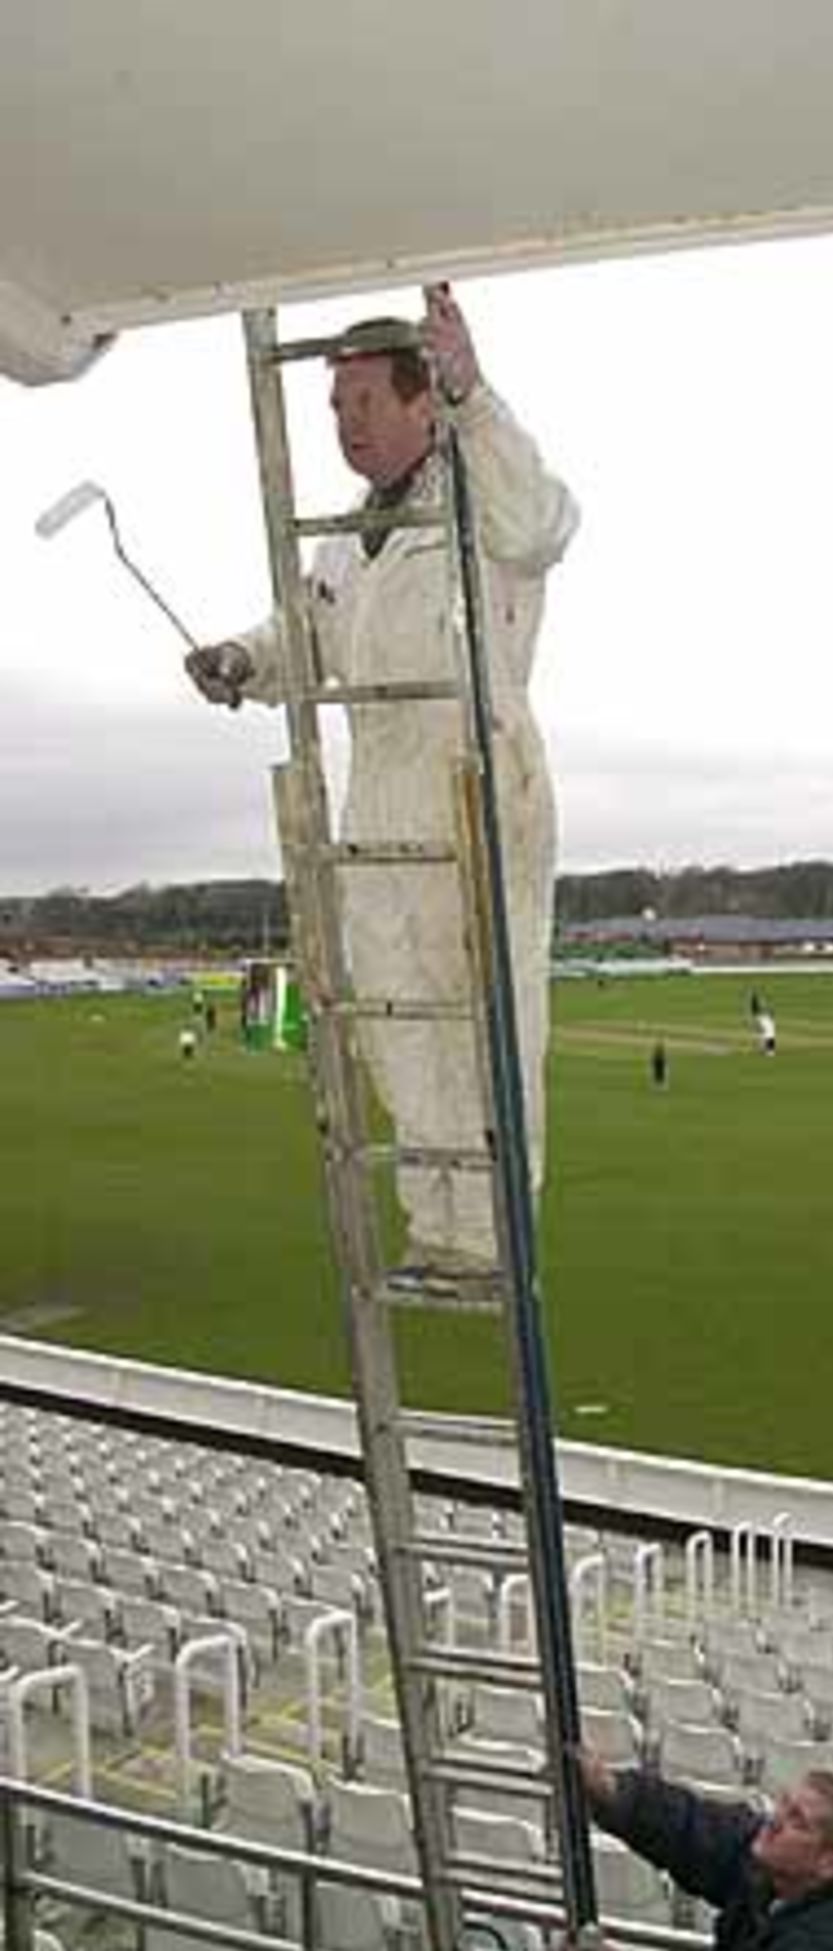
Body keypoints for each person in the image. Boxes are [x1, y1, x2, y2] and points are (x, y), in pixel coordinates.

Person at [186, 288, 578, 1284]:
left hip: (474, 775)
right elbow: (309, 636)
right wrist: (241, 656)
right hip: (379, 796)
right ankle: (439, 1228)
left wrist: (475, 393)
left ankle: (492, 1235)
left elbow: (541, 525)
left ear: (420, 402)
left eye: (363, 400)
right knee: (398, 1013)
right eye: (333, 406)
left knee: (481, 1011)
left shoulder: (478, 495)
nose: (345, 423)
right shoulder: (338, 536)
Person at [579, 1748, 833, 1951]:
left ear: (829, 1864)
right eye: (784, 1804)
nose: (775, 1821)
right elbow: (695, 1829)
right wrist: (611, 1789)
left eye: (798, 1821)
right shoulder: (774, 1860)